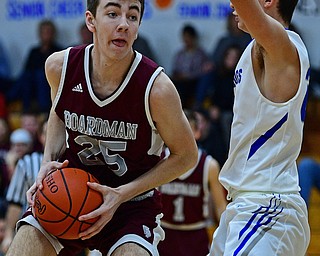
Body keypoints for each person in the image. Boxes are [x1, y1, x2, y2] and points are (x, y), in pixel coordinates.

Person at [6, 0, 198, 256]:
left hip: (130, 205)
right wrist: (47, 161)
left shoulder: (157, 89)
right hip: (69, 191)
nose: (123, 25)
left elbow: (186, 156)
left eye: (132, 16)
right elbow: (58, 110)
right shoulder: (59, 67)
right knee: (23, 246)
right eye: (112, 13)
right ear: (91, 21)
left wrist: (120, 194)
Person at [209, 1, 310, 255]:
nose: (232, 4)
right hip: (248, 205)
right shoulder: (259, 48)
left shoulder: (280, 44)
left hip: (268, 205)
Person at [158, 109, 227, 256]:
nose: (183, 137)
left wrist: (227, 238)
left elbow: (220, 208)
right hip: (163, 236)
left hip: (195, 238)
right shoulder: (159, 160)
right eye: (179, 131)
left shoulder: (210, 165)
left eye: (188, 131)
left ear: (197, 133)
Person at [0, 121, 46, 253]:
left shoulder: (74, 161)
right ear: (41, 137)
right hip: (34, 229)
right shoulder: (27, 162)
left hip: (68, 231)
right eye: (47, 132)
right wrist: (9, 234)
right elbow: (15, 202)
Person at [6, 19, 63, 114]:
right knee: (26, 77)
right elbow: (27, 70)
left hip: (49, 83)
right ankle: (25, 108)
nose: (46, 35)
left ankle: (44, 110)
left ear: (53, 34)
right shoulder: (34, 51)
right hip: (32, 83)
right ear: (39, 34)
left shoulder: (59, 51)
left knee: (40, 75)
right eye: (43, 32)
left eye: (48, 32)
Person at [171, 24, 209, 108]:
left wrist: (187, 76)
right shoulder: (179, 54)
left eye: (188, 37)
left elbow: (201, 71)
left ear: (193, 37)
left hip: (194, 82)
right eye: (184, 37)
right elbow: (175, 69)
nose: (186, 40)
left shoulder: (200, 53)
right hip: (180, 81)